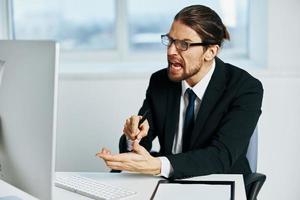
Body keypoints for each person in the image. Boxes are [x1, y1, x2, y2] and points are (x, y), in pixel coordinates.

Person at [97, 5, 263, 180]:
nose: (170, 51)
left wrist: (159, 165)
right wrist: (133, 137)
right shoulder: (160, 81)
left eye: (183, 44)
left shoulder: (245, 88)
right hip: (168, 182)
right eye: (170, 41)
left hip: (218, 181)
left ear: (210, 52)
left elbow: (220, 156)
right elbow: (141, 146)